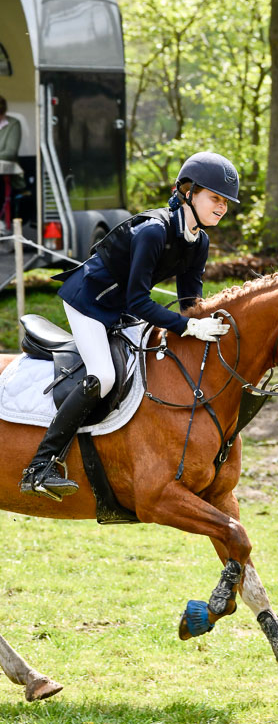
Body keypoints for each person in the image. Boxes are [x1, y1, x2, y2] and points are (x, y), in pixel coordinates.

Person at [20, 151, 238, 501]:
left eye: (225, 201)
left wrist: (204, 326)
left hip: (120, 306)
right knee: (104, 376)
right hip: (88, 301)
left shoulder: (199, 241)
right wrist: (186, 327)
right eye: (215, 197)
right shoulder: (153, 231)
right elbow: (140, 302)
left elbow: (189, 302)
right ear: (187, 191)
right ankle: (40, 466)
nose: (222, 207)